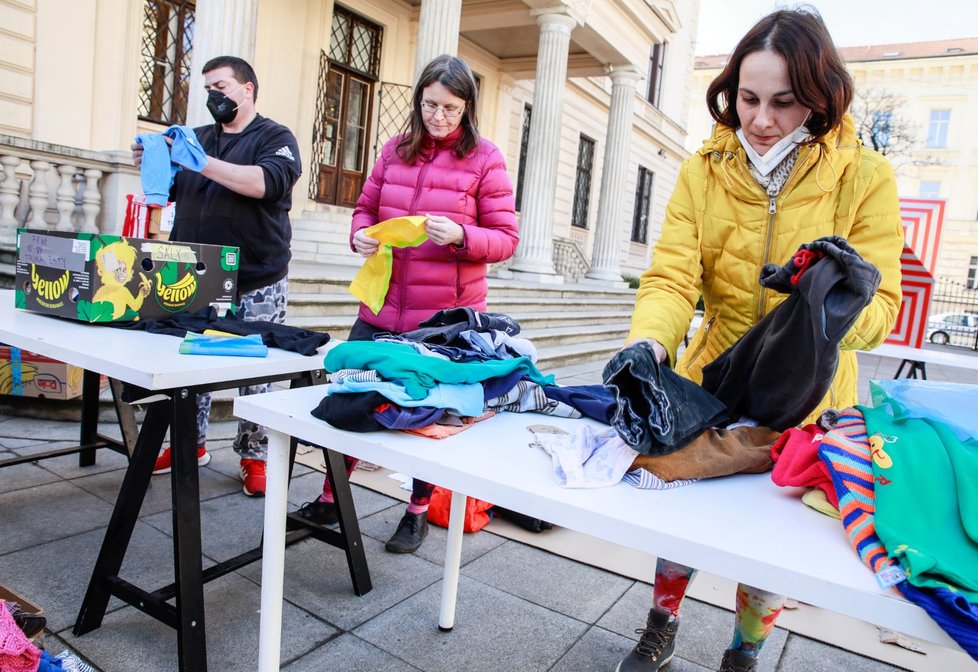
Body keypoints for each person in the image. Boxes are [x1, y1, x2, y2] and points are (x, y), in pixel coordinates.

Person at [616, 9, 904, 672]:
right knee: (681, 516)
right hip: (710, 381)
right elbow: (670, 276)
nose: (762, 120)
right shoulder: (704, 169)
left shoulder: (866, 177)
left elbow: (882, 308)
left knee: (772, 544)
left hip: (807, 395)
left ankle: (745, 648)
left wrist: (830, 307)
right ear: (730, 90)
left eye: (784, 102)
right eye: (749, 98)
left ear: (821, 97)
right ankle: (662, 621)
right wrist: (650, 344)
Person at [289, 54, 519, 553]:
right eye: (430, 105)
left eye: (451, 108)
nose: (438, 117)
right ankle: (332, 494)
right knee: (347, 395)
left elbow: (504, 239)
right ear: (418, 102)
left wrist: (462, 234)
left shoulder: (486, 159)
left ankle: (416, 510)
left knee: (428, 415)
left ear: (468, 108)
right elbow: (367, 208)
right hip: (381, 305)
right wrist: (360, 237)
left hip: (440, 322)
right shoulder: (394, 151)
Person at [131, 55, 302, 497]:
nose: (213, 96)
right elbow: (170, 189)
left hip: (256, 276)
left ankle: (255, 454)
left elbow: (265, 184)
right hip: (194, 273)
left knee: (258, 370)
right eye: (207, 88)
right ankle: (191, 444)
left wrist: (199, 161)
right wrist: (152, 161)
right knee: (192, 364)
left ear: (248, 89)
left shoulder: (275, 137)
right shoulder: (197, 138)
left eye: (221, 87)